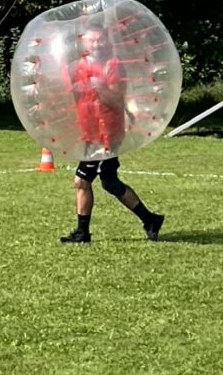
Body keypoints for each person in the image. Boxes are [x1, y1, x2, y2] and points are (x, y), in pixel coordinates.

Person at [60, 27, 163, 245]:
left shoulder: (113, 65)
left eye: (100, 40)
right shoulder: (80, 66)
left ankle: (83, 233)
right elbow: (76, 96)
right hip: (91, 132)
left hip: (106, 134)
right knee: (109, 182)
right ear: (84, 43)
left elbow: (116, 99)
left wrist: (97, 86)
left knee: (81, 181)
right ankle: (151, 219)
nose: (96, 45)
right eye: (92, 41)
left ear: (106, 41)